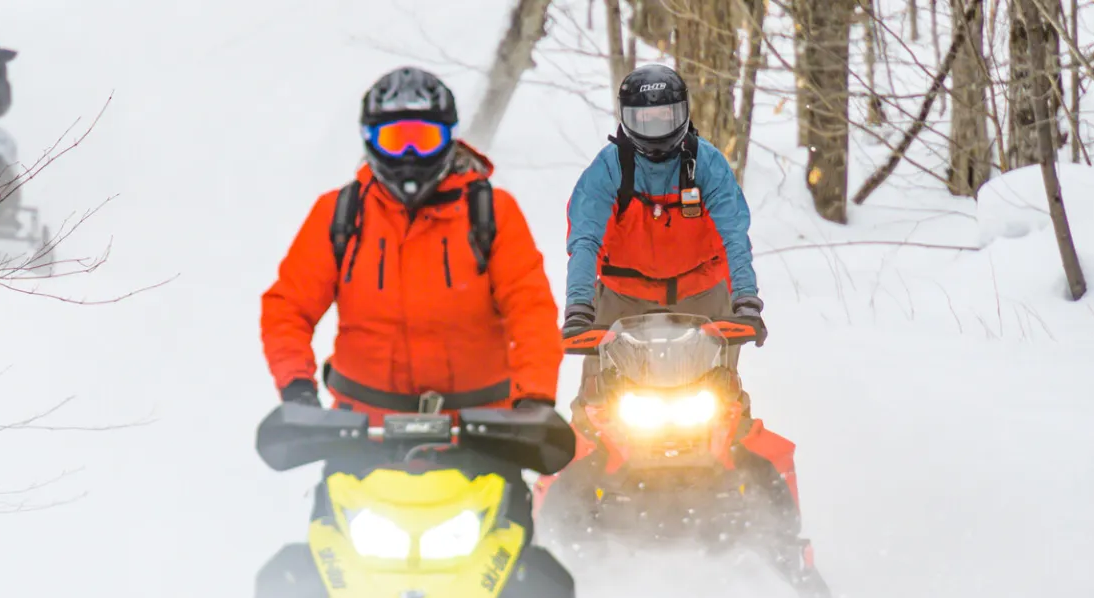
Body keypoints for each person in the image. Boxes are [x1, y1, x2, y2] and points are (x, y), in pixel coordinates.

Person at [260, 67, 564, 529]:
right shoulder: (340, 215)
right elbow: (287, 307)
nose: (407, 155)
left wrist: (533, 403)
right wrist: (298, 391)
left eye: (422, 139)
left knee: (523, 573)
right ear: (369, 140)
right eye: (393, 139)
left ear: (449, 139)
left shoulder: (492, 213)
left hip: (479, 435)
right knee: (315, 572)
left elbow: (532, 312)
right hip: (363, 438)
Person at [560, 64, 762, 412]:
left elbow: (734, 236)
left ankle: (738, 458)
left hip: (701, 295)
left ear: (683, 113)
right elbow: (585, 240)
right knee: (596, 403)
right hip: (623, 298)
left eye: (664, 117)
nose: (655, 128)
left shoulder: (708, 165)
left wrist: (745, 300)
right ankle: (586, 458)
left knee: (724, 400)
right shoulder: (608, 169)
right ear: (625, 119)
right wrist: (579, 308)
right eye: (643, 119)